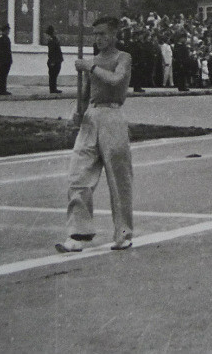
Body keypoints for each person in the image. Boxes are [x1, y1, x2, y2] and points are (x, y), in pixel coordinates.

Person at [56, 16, 134, 252]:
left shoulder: (123, 58)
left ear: (114, 34)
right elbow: (86, 92)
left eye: (103, 34)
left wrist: (89, 67)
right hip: (91, 117)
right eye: (96, 34)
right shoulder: (92, 61)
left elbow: (116, 80)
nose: (98, 38)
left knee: (118, 179)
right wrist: (78, 112)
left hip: (113, 116)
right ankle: (78, 233)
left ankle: (123, 233)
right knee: (78, 174)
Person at [0, 23, 13, 96]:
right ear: (5, 30)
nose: (8, 31)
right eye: (8, 30)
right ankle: (1, 91)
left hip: (6, 61)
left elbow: (8, 50)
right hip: (2, 61)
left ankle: (3, 90)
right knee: (1, 75)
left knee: (4, 76)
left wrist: (10, 60)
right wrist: (0, 60)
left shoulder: (7, 38)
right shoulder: (0, 38)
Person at [46, 25, 63, 94]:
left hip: (57, 60)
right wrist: (52, 61)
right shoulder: (51, 40)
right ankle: (52, 89)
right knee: (53, 75)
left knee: (54, 75)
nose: (56, 31)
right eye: (54, 30)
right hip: (54, 60)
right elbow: (51, 51)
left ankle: (54, 88)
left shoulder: (54, 39)